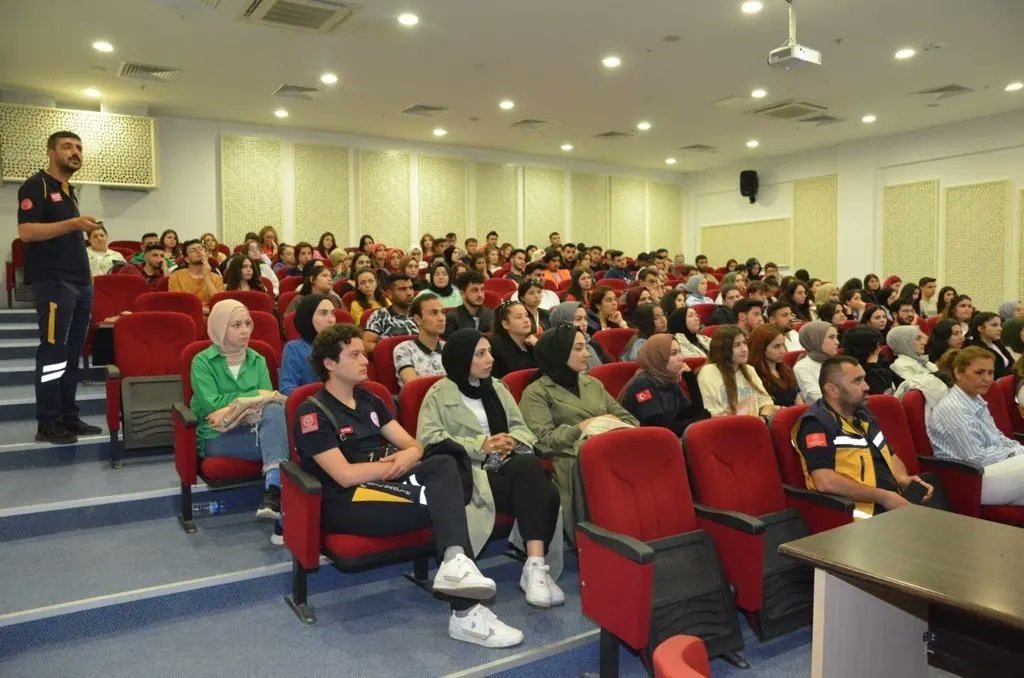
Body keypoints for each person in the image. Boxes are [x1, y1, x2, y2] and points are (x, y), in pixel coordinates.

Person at [294, 324, 523, 645]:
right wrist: (392, 464)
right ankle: (466, 613)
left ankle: (454, 562)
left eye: (363, 353)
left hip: (387, 482)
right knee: (446, 505)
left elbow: (415, 445)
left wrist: (407, 456)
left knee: (444, 461)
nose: (364, 360)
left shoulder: (371, 400)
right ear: (330, 364)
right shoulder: (312, 412)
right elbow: (344, 475)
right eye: (354, 355)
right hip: (348, 500)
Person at [417, 329, 564, 607]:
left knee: (530, 468)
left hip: (504, 460)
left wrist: (511, 440)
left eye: (490, 352)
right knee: (540, 488)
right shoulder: (437, 394)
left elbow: (521, 428)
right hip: (469, 468)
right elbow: (430, 440)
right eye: (481, 354)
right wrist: (481, 445)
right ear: (462, 359)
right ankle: (533, 565)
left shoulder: (497, 387)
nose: (490, 359)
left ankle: (534, 565)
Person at [16, 130, 104, 444]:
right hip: (54, 283)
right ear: (51, 153)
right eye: (68, 146)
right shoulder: (36, 185)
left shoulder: (69, 191)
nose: (75, 152)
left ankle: (68, 415)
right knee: (53, 353)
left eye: (79, 147)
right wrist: (75, 224)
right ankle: (48, 422)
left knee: (73, 353)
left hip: (80, 284)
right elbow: (26, 232)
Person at [793, 356, 940, 518]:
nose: (866, 386)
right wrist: (883, 497)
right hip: (858, 517)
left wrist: (903, 479)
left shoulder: (862, 414)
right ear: (832, 390)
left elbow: (889, 455)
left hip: (892, 506)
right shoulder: (816, 424)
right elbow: (824, 481)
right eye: (857, 381)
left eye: (864, 379)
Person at [520, 324, 639, 522]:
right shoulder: (536, 393)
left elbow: (630, 420)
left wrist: (602, 428)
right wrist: (582, 428)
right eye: (578, 348)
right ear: (559, 352)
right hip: (572, 457)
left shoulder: (593, 383)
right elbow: (543, 440)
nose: (587, 353)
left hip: (611, 447)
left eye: (586, 347)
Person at [190, 300, 287, 539]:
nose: (245, 330)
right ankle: (279, 505)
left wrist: (236, 405)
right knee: (288, 445)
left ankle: (274, 495)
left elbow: (267, 402)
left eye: (247, 324)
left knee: (275, 412)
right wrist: (253, 397)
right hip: (217, 435)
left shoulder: (258, 359)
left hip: (254, 428)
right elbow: (212, 406)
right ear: (220, 327)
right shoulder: (201, 361)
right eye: (236, 325)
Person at [928, 347, 1024, 505]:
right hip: (969, 481)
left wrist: (1018, 450)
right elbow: (975, 457)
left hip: (992, 471)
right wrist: (1015, 453)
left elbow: (997, 437)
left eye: (990, 373)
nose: (987, 379)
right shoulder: (953, 408)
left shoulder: (976, 399)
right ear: (958, 373)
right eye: (979, 373)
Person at [619, 334, 708, 435]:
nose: (681, 358)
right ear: (658, 357)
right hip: (646, 440)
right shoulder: (642, 384)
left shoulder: (668, 380)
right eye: (674, 353)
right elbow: (661, 429)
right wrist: (697, 421)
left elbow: (694, 412)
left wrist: (690, 379)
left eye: (680, 352)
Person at [697, 325, 776, 417]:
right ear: (723, 349)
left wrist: (763, 418)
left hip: (754, 422)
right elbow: (712, 413)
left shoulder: (749, 370)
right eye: (737, 345)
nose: (744, 349)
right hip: (727, 424)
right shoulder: (708, 373)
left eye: (744, 343)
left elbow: (767, 402)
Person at [280, 294, 336, 395]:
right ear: (308, 317)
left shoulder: (341, 345)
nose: (331, 319)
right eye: (323, 313)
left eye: (333, 313)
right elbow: (286, 389)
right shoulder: (294, 348)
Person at [393, 294, 447, 388]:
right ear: (418, 319)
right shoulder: (404, 349)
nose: (441, 318)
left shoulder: (449, 348)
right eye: (434, 313)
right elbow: (414, 386)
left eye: (442, 312)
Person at [747, 324, 803, 406]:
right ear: (761, 349)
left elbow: (797, 397)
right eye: (776, 346)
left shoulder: (785, 369)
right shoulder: (754, 375)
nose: (783, 351)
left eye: (783, 344)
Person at [363, 273, 418, 354]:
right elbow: (366, 344)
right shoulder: (380, 315)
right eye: (402, 289)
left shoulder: (420, 314)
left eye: (411, 288)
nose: (409, 293)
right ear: (390, 294)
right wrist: (396, 351)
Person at [169, 239, 225, 313]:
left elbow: (219, 303)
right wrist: (205, 311)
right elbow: (178, 303)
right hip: (188, 314)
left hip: (213, 315)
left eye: (201, 249)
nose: (198, 252)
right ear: (187, 259)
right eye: (193, 251)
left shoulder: (216, 277)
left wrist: (207, 278)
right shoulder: (176, 276)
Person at [549, 301, 609, 369]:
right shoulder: (553, 351)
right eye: (578, 319)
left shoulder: (593, 344)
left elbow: (607, 370)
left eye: (585, 319)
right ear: (562, 322)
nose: (584, 323)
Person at [794, 321, 840, 403]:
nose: (837, 342)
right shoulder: (802, 368)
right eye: (831, 337)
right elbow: (818, 398)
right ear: (815, 340)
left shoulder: (837, 362)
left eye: (836, 337)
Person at [490, 300, 538, 378]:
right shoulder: (496, 346)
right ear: (506, 324)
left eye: (526, 315)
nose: (526, 320)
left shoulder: (532, 342)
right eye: (519, 317)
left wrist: (538, 346)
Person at [842, 325, 896, 395]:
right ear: (876, 347)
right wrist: (872, 365)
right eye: (879, 345)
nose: (880, 348)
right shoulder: (858, 374)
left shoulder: (882, 362)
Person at [445, 271, 494, 339]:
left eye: (482, 289)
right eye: (475, 290)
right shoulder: (452, 318)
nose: (480, 295)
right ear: (462, 293)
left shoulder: (491, 315)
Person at [966, 312, 1014, 379]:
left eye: (1000, 325)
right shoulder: (976, 350)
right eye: (994, 325)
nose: (1000, 329)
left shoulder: (998, 344)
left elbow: (1012, 364)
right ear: (980, 329)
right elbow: (996, 373)